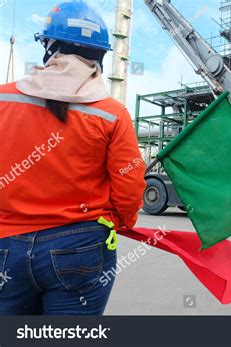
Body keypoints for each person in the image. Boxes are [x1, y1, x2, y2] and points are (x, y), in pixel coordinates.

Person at [0, 2, 146, 315]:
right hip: (80, 246)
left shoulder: (4, 99)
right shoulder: (112, 114)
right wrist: (119, 221)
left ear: (50, 46)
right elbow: (130, 185)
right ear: (100, 57)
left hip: (5, 243)